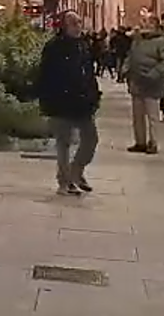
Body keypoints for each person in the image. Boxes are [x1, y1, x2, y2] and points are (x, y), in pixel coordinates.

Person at [35, 11, 101, 196]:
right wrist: (46, 99)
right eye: (73, 23)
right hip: (61, 101)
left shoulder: (83, 46)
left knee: (91, 139)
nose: (78, 26)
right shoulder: (54, 47)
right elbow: (45, 74)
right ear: (64, 26)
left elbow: (89, 73)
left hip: (83, 102)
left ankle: (76, 171)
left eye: (79, 22)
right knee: (63, 143)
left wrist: (94, 95)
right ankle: (65, 181)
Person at [125, 15, 164, 154]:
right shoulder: (137, 40)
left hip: (152, 82)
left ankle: (153, 142)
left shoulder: (161, 41)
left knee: (152, 116)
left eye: (145, 21)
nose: (141, 24)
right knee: (137, 115)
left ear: (153, 25)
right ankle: (140, 142)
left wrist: (155, 73)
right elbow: (131, 56)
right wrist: (125, 69)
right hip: (137, 81)